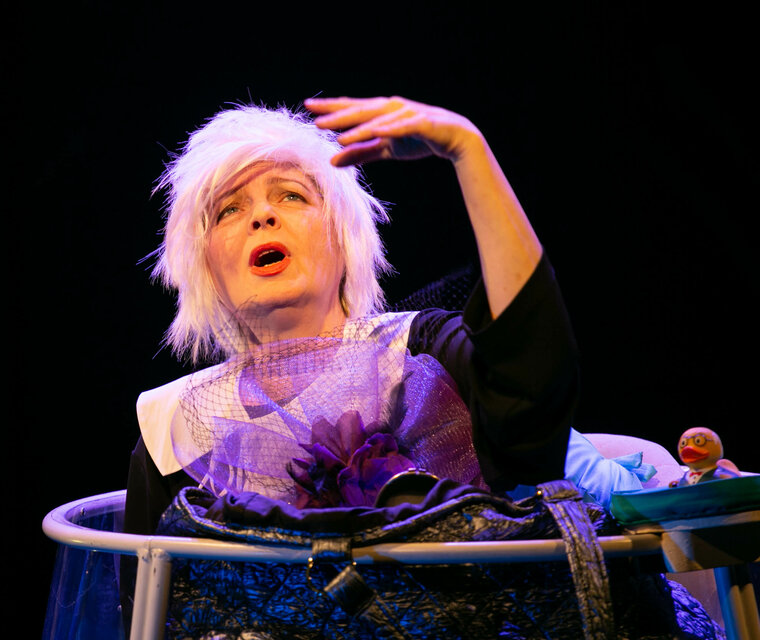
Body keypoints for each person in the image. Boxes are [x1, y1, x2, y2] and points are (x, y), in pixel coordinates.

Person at [124, 95, 582, 536]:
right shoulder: (172, 431)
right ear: (205, 268)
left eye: (291, 196)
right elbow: (149, 588)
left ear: (343, 238)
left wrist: (469, 151)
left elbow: (532, 401)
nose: (262, 215)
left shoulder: (419, 352)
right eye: (229, 209)